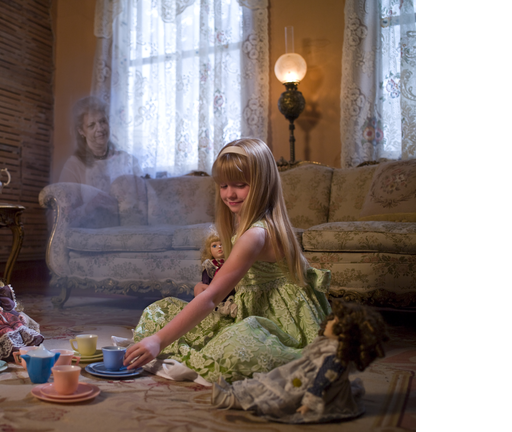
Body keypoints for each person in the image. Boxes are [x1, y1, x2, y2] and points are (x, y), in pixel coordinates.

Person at [124, 138, 332, 384]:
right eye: (223, 185)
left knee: (230, 349)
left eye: (240, 185)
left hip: (283, 323)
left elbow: (212, 298)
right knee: (159, 312)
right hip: (253, 308)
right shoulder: (252, 223)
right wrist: (211, 291)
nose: (229, 194)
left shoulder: (255, 234)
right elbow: (242, 284)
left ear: (263, 185)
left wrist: (158, 341)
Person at [211, 301, 389, 423]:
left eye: (335, 321)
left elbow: (322, 380)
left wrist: (309, 403)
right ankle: (234, 390)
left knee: (276, 393)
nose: (328, 322)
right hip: (300, 374)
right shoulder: (329, 346)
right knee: (271, 379)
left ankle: (228, 399)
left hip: (306, 383)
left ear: (346, 332)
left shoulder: (334, 358)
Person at [58, 96, 141, 193]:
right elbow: (65, 200)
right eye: (91, 125)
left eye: (103, 121)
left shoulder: (127, 160)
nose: (100, 128)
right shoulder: (74, 166)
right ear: (81, 131)